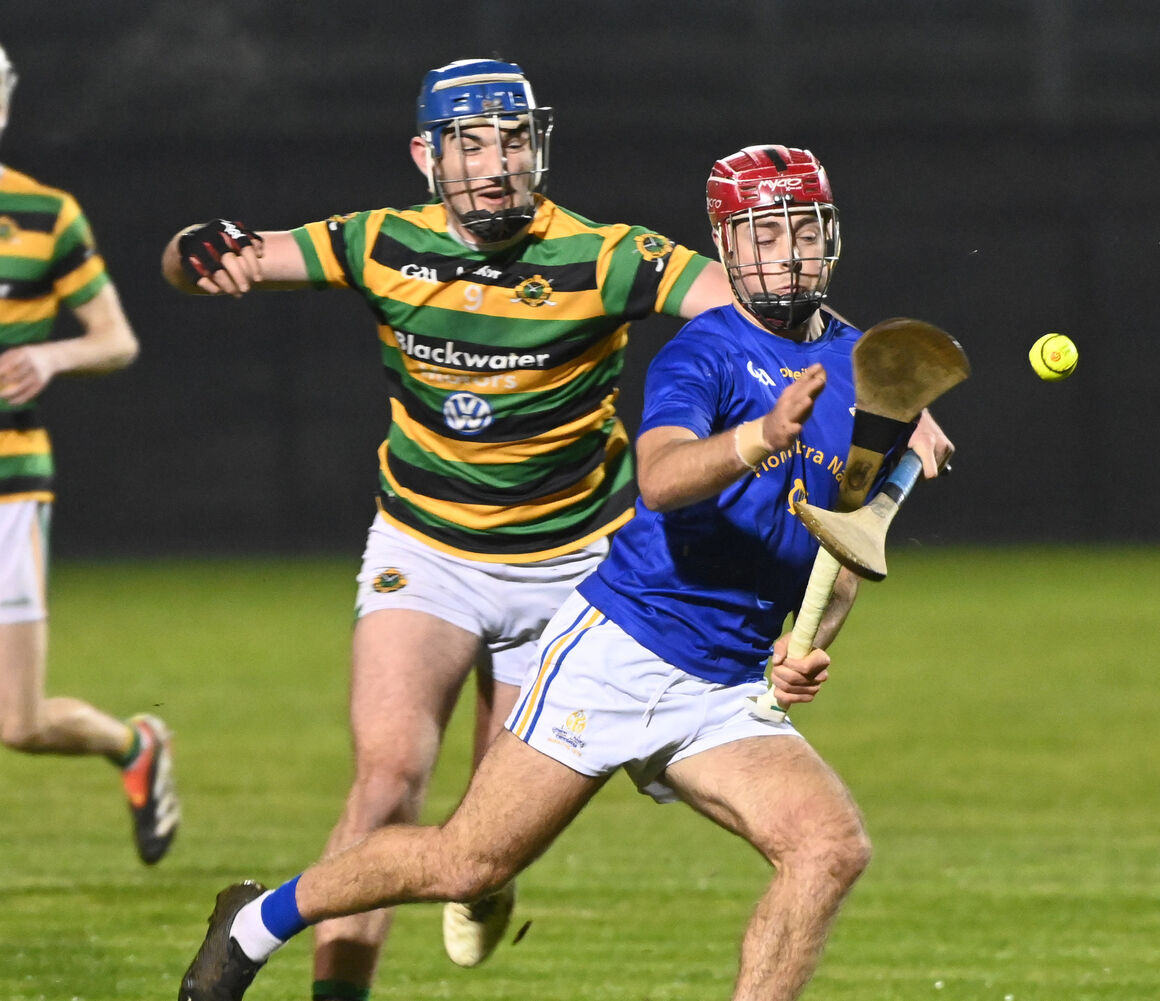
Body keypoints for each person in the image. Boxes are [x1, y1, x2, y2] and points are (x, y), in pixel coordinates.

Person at [175, 144, 954, 1001]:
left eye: (802, 232)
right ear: (726, 245)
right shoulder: (705, 351)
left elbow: (840, 554)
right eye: (762, 233)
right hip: (623, 650)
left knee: (829, 845)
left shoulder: (865, 376)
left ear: (831, 239)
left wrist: (800, 648)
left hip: (724, 689)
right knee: (469, 861)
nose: (785, 253)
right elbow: (659, 478)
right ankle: (254, 923)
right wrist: (759, 437)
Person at [161, 58, 736, 998]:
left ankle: (493, 880)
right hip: (427, 552)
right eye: (472, 142)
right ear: (427, 155)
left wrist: (872, 385)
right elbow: (218, 257)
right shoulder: (379, 241)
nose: (497, 162)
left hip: (571, 569)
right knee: (387, 782)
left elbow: (747, 307)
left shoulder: (604, 253)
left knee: (485, 840)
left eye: (514, 140)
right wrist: (194, 247)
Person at [0, 41, 180, 865]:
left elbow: (116, 337)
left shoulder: (45, 215)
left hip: (10, 484)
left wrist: (53, 356)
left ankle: (133, 745)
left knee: (19, 722)